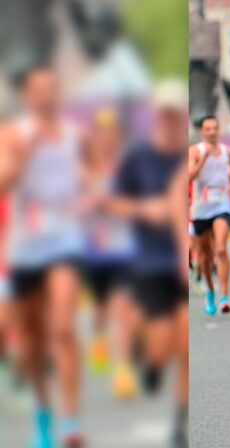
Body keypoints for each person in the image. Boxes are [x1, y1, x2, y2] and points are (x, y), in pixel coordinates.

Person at [0, 65, 86, 448]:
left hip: (63, 242)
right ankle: (43, 413)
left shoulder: (74, 135)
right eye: (38, 89)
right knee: (32, 343)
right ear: (27, 96)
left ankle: (70, 420)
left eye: (52, 88)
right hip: (24, 245)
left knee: (64, 327)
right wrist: (23, 156)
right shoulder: (13, 134)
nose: (46, 95)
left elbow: (92, 179)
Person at [109, 79, 190, 447]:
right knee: (161, 346)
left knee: (185, 342)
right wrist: (144, 208)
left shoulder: (187, 157)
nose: (172, 120)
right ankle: (150, 361)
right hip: (149, 260)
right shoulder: (137, 155)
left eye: (177, 113)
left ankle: (179, 421)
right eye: (166, 113)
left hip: (180, 257)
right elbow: (114, 202)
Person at [81, 107, 140, 400]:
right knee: (101, 309)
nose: (107, 135)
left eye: (111, 130)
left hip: (123, 249)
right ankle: (98, 335)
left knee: (124, 307)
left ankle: (123, 369)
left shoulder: (127, 166)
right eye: (102, 129)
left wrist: (115, 205)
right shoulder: (83, 167)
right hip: (93, 251)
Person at [188, 115, 230, 315]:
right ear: (202, 132)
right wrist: (203, 159)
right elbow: (188, 177)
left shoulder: (227, 151)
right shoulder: (195, 151)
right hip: (201, 210)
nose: (212, 132)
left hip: (222, 206)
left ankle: (224, 296)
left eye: (215, 128)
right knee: (205, 258)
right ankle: (210, 290)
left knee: (221, 249)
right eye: (208, 129)